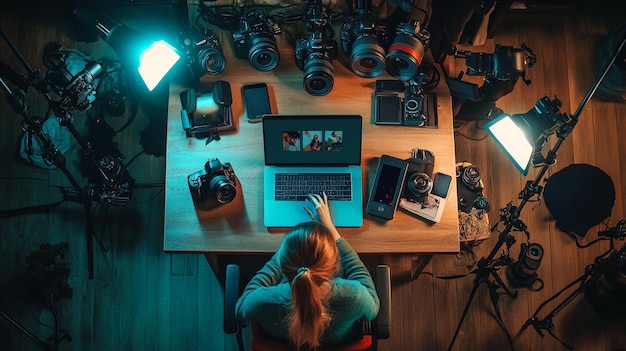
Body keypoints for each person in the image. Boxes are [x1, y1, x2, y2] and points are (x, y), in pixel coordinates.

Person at [235, 192, 380, 349]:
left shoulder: (262, 300)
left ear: (284, 265)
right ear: (335, 265)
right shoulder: (355, 297)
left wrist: (284, 254)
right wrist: (332, 230)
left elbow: (240, 309)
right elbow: (373, 310)